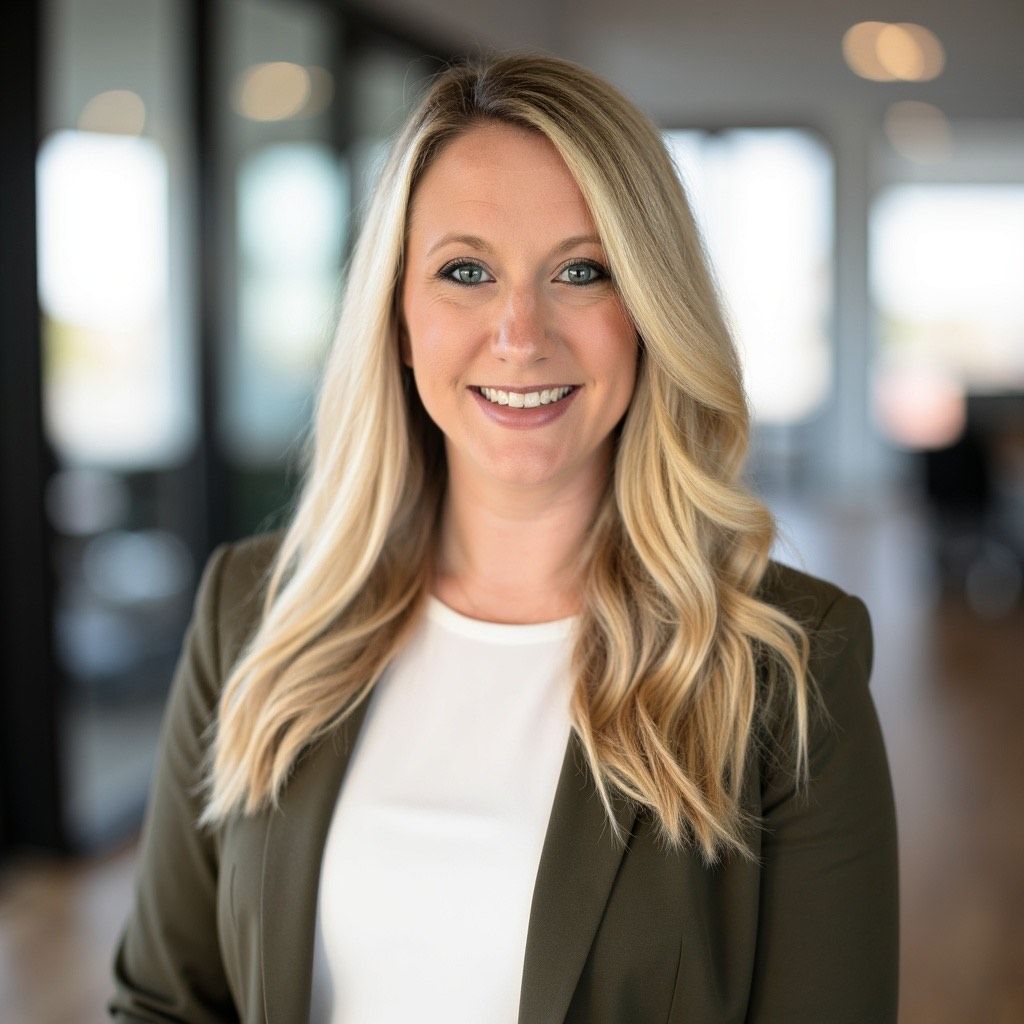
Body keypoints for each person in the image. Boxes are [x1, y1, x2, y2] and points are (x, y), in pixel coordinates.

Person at [108, 50, 899, 1024]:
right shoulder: (253, 614)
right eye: (465, 271)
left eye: (581, 270)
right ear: (398, 318)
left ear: (649, 311)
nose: (520, 334)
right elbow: (162, 1003)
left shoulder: (787, 662)